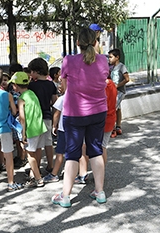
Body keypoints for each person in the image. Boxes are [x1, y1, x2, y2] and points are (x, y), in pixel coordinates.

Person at [51, 28, 109, 208]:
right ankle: (99, 192)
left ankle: (66, 196)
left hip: (74, 113)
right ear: (95, 42)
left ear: (77, 42)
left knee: (72, 154)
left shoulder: (69, 60)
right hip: (98, 111)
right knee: (96, 150)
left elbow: (64, 85)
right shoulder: (103, 60)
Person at [74, 75, 118, 184]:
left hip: (98, 120)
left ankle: (83, 174)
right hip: (110, 118)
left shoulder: (102, 86)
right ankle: (99, 174)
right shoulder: (112, 85)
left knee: (85, 146)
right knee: (102, 147)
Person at [9, 71, 47, 188]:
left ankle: (38, 179)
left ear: (15, 85)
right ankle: (36, 174)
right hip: (40, 127)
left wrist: (23, 133)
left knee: (30, 155)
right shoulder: (32, 93)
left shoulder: (21, 99)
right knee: (38, 151)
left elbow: (22, 118)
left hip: (31, 130)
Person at [28, 58, 57, 173]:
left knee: (38, 144)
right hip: (48, 115)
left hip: (36, 118)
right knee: (48, 142)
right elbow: (55, 102)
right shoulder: (51, 85)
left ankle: (36, 168)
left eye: (31, 71)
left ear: (36, 71)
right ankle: (50, 165)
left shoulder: (32, 86)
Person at [108, 48, 130, 137]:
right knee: (118, 108)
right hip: (113, 91)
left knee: (113, 108)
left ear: (117, 57)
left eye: (111, 57)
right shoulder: (112, 67)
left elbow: (127, 79)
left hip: (120, 91)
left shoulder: (121, 66)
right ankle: (118, 126)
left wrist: (118, 85)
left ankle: (112, 129)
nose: (109, 59)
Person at [44, 94, 65, 183]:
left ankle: (54, 174)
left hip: (63, 128)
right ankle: (67, 171)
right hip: (75, 129)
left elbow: (57, 113)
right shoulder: (79, 96)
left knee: (60, 152)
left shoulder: (62, 98)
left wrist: (54, 125)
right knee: (71, 151)